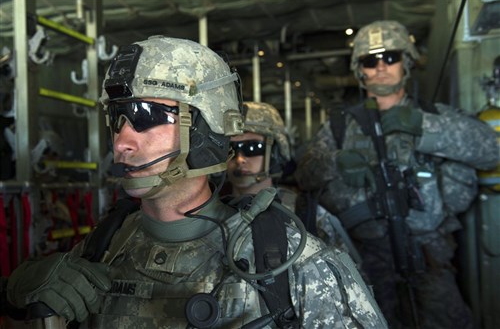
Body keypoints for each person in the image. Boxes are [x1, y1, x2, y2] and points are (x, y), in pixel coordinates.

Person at [1, 36, 387, 328]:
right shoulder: (103, 245)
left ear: (205, 129)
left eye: (148, 115)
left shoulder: (293, 265)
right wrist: (17, 290)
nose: (122, 142)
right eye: (117, 118)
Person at [294, 20, 499, 329]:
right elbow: (305, 175)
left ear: (407, 62)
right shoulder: (340, 126)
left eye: (390, 57)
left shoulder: (434, 116)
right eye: (369, 60)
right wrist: (338, 161)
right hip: (363, 262)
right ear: (359, 70)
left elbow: (490, 150)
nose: (380, 66)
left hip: (429, 257)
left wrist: (424, 128)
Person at [228, 101, 358, 259]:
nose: (240, 159)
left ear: (276, 152)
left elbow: (346, 276)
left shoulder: (306, 214)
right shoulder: (209, 214)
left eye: (253, 148)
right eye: (231, 149)